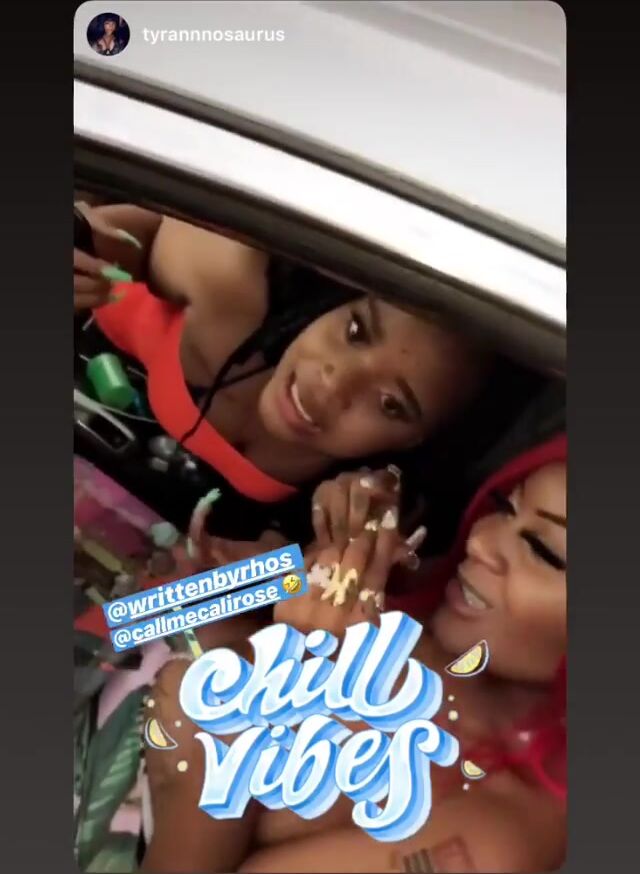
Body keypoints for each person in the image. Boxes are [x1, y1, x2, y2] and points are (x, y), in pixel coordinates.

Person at [139, 433, 567, 873]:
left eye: (544, 551)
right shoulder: (443, 630)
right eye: (504, 507)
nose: (480, 540)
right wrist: (276, 570)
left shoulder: (495, 838)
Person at [74, 202, 492, 547]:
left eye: (389, 404)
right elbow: (143, 233)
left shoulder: (361, 509)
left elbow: (290, 586)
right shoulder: (232, 284)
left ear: (416, 439)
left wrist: (267, 582)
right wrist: (85, 245)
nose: (332, 383)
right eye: (356, 331)